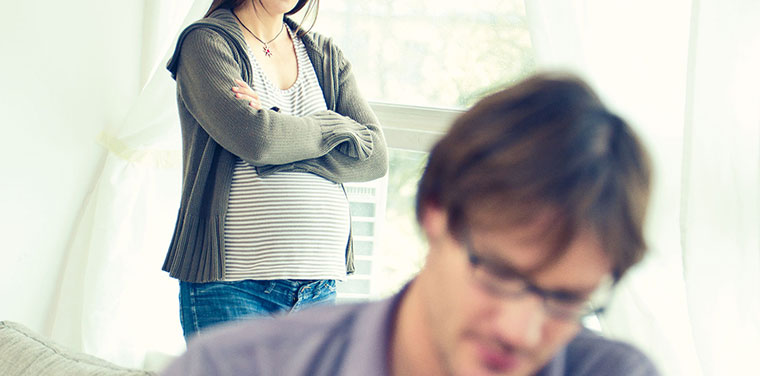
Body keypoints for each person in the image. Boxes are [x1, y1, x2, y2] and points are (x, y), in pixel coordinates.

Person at [161, 72, 660, 376]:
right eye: (499, 275)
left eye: (566, 299)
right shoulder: (238, 368)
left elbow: (367, 150)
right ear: (434, 213)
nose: (520, 331)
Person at [161, 0, 388, 341]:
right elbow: (258, 140)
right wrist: (335, 128)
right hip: (233, 286)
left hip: (319, 288)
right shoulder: (208, 44)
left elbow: (373, 157)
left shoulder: (324, 55)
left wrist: (281, 121)